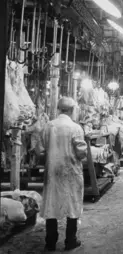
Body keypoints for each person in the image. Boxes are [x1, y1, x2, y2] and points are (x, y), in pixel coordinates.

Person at [36, 97, 87, 251]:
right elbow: (81, 152)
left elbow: (40, 151)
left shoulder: (48, 126)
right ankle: (70, 241)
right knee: (73, 204)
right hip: (71, 172)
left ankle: (50, 242)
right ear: (72, 110)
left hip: (52, 172)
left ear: (59, 109)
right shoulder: (75, 128)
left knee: (51, 204)